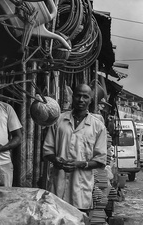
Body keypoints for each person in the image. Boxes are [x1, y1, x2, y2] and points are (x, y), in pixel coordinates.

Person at [42, 84, 107, 212]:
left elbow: (100, 160)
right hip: (58, 186)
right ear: (73, 97)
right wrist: (56, 160)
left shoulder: (98, 127)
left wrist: (79, 164)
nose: (81, 100)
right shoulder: (59, 121)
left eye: (85, 97)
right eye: (78, 96)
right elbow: (47, 150)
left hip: (81, 189)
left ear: (91, 100)